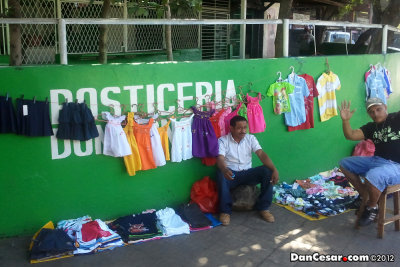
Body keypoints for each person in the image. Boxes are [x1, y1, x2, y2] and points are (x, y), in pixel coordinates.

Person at [339, 98, 400, 226]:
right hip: (377, 160)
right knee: (345, 163)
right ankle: (365, 196)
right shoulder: (371, 127)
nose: (376, 113)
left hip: (396, 165)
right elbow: (350, 135)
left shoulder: (396, 118)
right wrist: (346, 121)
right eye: (371, 111)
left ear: (385, 108)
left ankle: (372, 207)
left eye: (378, 109)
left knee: (373, 175)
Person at [216, 115, 279, 226]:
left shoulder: (251, 139)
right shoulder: (223, 141)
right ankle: (225, 212)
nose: (243, 131)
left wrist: (274, 169)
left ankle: (264, 208)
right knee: (221, 174)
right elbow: (220, 158)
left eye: (245, 127)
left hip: (248, 174)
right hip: (232, 174)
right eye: (239, 128)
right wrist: (225, 169)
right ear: (231, 128)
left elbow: (261, 154)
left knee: (267, 171)